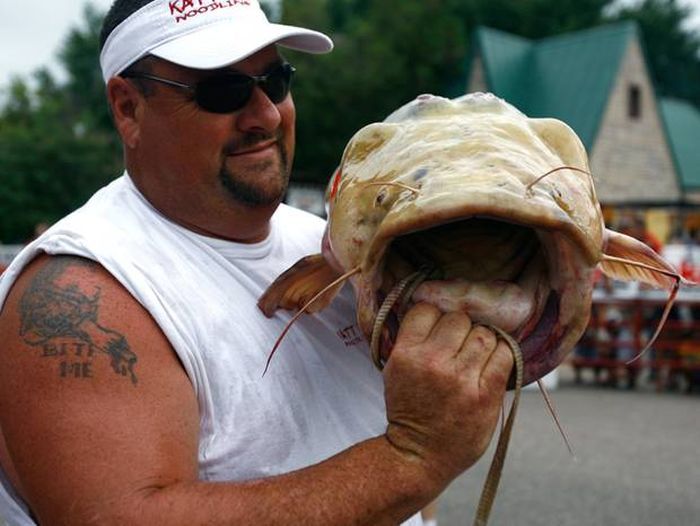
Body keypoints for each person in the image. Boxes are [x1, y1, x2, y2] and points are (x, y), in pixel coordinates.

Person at [0, 1, 514, 524]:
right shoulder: (87, 289)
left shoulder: (336, 246)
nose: (265, 114)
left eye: (275, 81)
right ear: (128, 108)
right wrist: (412, 459)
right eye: (221, 91)